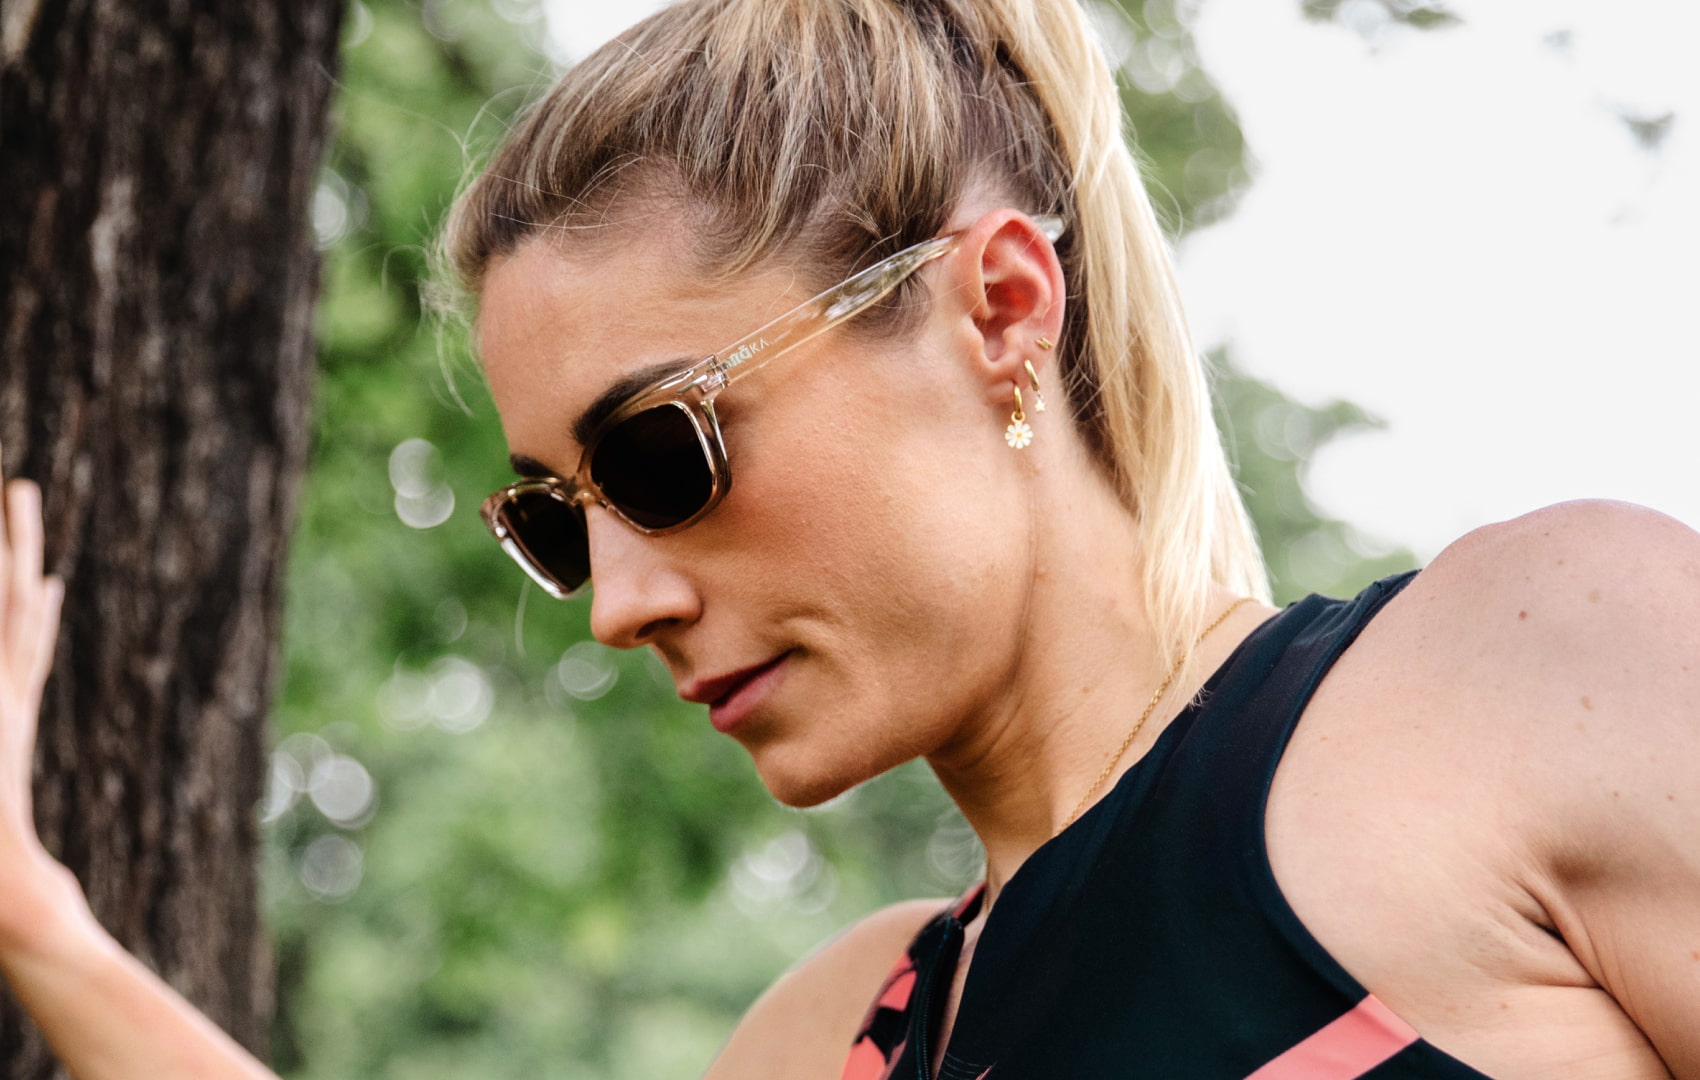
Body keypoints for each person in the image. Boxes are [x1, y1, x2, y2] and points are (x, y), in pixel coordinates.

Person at [1, 0, 1697, 1077]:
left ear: (1001, 308)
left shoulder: (1535, 675)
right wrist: (38, 924)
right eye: (554, 520)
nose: (613, 607)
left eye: (659, 454)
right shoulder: (838, 1038)